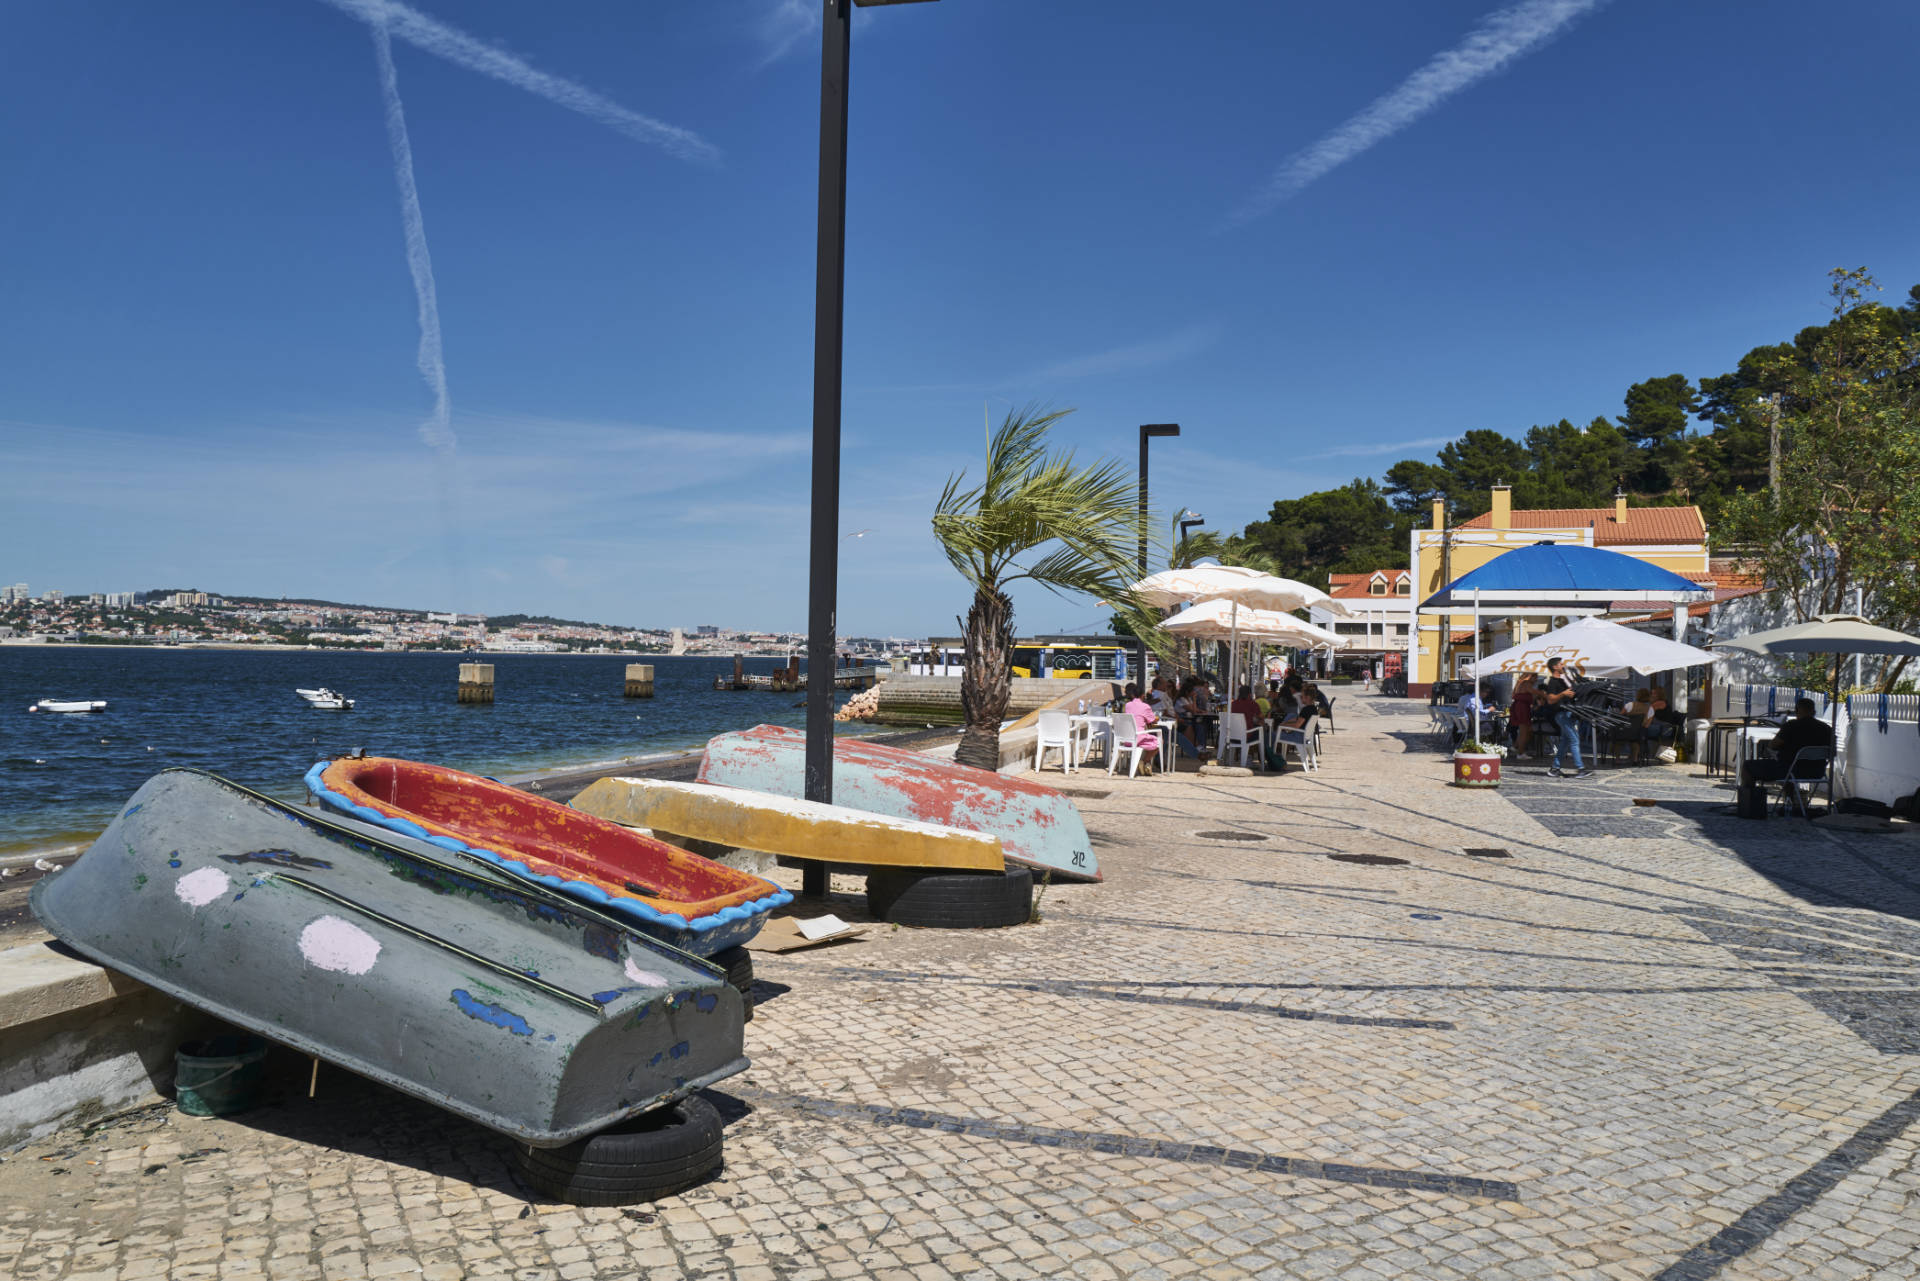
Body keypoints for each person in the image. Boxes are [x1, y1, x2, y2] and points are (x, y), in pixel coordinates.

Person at [1740, 698, 1834, 791]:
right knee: (1786, 766)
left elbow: (1773, 745)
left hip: (1789, 770)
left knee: (1748, 766)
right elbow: (1833, 753)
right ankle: (1791, 802)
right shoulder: (1826, 728)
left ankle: (1749, 803)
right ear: (1814, 712)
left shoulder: (1791, 726)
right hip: (1817, 772)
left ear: (1797, 711)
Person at [1539, 656, 1590, 779]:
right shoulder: (1552, 682)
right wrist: (1563, 693)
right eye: (1561, 664)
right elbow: (1550, 700)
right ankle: (1580, 769)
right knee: (1574, 740)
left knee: (1565, 742)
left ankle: (1555, 769)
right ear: (1555, 667)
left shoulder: (1563, 680)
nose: (1563, 666)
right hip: (1561, 714)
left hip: (1568, 714)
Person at [1119, 683, 1162, 775]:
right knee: (1159, 741)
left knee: (1148, 738)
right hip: (1138, 738)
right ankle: (1145, 761)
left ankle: (1145, 764)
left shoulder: (1128, 705)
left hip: (1126, 739)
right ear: (1143, 695)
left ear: (1133, 695)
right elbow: (1152, 720)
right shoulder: (1145, 706)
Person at [1509, 672, 1536, 756]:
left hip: (1520, 707)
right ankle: (1520, 753)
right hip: (1522, 708)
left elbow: (1513, 695)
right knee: (1524, 731)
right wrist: (1544, 695)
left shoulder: (1519, 682)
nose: (1536, 680)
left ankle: (1515, 746)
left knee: (1526, 730)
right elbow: (1534, 693)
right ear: (1530, 676)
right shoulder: (1526, 683)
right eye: (1535, 677)